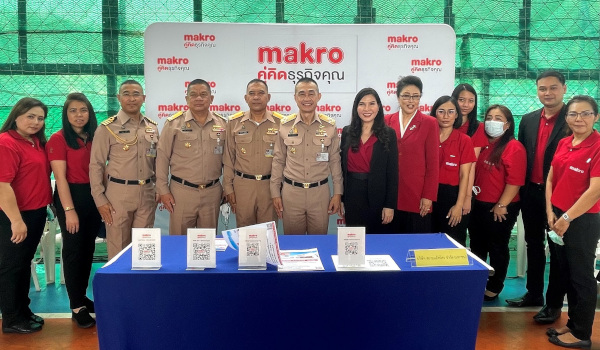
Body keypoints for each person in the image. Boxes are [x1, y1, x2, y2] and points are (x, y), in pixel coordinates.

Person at [506, 71, 568, 320]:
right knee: (534, 244)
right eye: (542, 88)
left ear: (564, 88)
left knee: (557, 247)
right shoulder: (528, 120)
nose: (548, 93)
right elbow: (522, 157)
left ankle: (553, 304)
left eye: (553, 88)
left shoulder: (572, 119)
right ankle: (534, 293)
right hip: (531, 191)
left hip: (559, 196)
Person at [545, 95, 600, 349]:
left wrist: (567, 217)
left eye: (585, 113)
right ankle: (572, 322)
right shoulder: (565, 142)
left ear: (595, 116)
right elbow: (551, 177)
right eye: (573, 114)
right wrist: (550, 211)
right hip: (558, 216)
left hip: (582, 220)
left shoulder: (598, 146)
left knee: (582, 276)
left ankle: (582, 334)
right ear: (566, 118)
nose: (579, 119)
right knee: (565, 272)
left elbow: (595, 191)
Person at [47, 93, 102, 328]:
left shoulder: (94, 137)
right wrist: (69, 211)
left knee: (87, 249)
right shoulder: (58, 139)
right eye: (73, 110)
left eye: (83, 110)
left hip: (93, 196)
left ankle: (82, 297)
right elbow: (60, 178)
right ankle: (76, 306)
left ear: (90, 113)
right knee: (73, 251)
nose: (78, 115)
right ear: (65, 114)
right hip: (71, 197)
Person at [90, 80, 159, 259]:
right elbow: (96, 165)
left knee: (144, 247)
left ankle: (141, 286)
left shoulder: (152, 127)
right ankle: (119, 287)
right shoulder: (107, 128)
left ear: (143, 98)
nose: (131, 98)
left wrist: (159, 188)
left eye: (136, 94)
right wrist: (100, 199)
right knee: (118, 246)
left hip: (147, 193)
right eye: (126, 94)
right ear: (118, 98)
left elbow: (157, 161)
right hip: (118, 194)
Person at [0, 98, 52, 334]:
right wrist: (16, 221)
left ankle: (23, 310)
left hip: (35, 213)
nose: (35, 122)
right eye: (30, 116)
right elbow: (2, 185)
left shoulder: (35, 142)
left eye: (40, 118)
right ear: (17, 116)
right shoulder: (6, 143)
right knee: (11, 266)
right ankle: (11, 318)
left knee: (22, 264)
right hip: (14, 217)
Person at [270, 77, 343, 234]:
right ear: (295, 98)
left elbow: (335, 161)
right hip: (291, 193)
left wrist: (337, 193)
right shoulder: (285, 125)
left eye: (311, 93)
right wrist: (275, 193)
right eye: (302, 94)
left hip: (320, 193)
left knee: (319, 242)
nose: (307, 98)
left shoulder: (329, 126)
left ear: (319, 96)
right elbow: (278, 161)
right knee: (293, 244)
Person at [469, 105, 526, 301]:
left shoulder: (514, 147)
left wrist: (501, 205)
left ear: (508, 124)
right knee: (477, 245)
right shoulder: (481, 143)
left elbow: (515, 181)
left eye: (499, 118)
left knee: (497, 246)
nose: (493, 122)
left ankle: (495, 284)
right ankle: (478, 280)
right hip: (477, 204)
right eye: (489, 117)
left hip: (499, 207)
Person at [156, 79, 227, 235]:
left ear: (211, 98)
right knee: (179, 242)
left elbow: (228, 161)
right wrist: (163, 190)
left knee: (207, 244)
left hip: (212, 192)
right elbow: (162, 158)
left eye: (203, 94)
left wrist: (227, 187)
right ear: (187, 99)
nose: (198, 98)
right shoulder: (173, 124)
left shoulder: (222, 124)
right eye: (193, 95)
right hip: (181, 192)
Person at [223, 79, 281, 227]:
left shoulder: (281, 123)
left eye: (261, 93)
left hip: (270, 186)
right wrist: (228, 187)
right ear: (246, 98)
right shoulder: (234, 123)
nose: (256, 97)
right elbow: (229, 158)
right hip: (243, 186)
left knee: (268, 232)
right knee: (245, 233)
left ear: (268, 97)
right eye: (252, 93)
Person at [384, 75, 439, 233]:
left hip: (417, 197)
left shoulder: (430, 123)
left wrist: (428, 196)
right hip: (390, 197)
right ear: (398, 97)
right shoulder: (386, 121)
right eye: (406, 96)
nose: (411, 101)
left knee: (415, 248)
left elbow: (433, 165)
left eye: (415, 96)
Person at [340, 88, 398, 233]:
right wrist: (340, 198)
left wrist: (389, 205)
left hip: (378, 196)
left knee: (376, 242)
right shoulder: (347, 132)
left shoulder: (389, 134)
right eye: (362, 104)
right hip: (352, 195)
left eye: (371, 104)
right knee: (354, 240)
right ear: (356, 108)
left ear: (378, 107)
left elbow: (392, 173)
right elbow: (341, 169)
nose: (367, 109)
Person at [430, 96, 476, 246]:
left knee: (452, 243)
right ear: (434, 113)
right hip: (428, 195)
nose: (445, 116)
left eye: (450, 112)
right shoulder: (427, 137)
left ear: (457, 115)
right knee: (428, 242)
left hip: (452, 196)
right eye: (441, 111)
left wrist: (459, 205)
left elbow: (465, 175)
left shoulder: (464, 140)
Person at [451, 83, 488, 218]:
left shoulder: (477, 127)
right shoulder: (443, 123)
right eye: (461, 100)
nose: (466, 104)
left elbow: (472, 165)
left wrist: (467, 196)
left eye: (471, 101)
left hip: (463, 185)